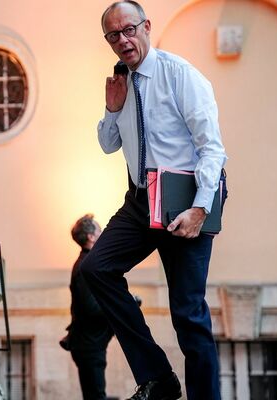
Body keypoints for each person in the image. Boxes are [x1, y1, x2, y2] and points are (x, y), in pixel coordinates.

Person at [79, 2, 228, 400]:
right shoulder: (121, 82)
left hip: (186, 196)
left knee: (188, 313)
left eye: (129, 30)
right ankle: (158, 378)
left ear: (146, 26)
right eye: (113, 35)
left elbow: (212, 149)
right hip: (142, 198)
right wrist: (112, 108)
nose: (123, 40)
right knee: (96, 268)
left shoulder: (180, 75)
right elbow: (108, 144)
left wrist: (200, 208)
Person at [61, 214, 114, 400]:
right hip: (89, 345)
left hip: (90, 343)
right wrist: (118, 306)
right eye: (99, 230)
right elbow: (91, 308)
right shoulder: (85, 266)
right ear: (91, 237)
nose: (102, 233)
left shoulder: (88, 263)